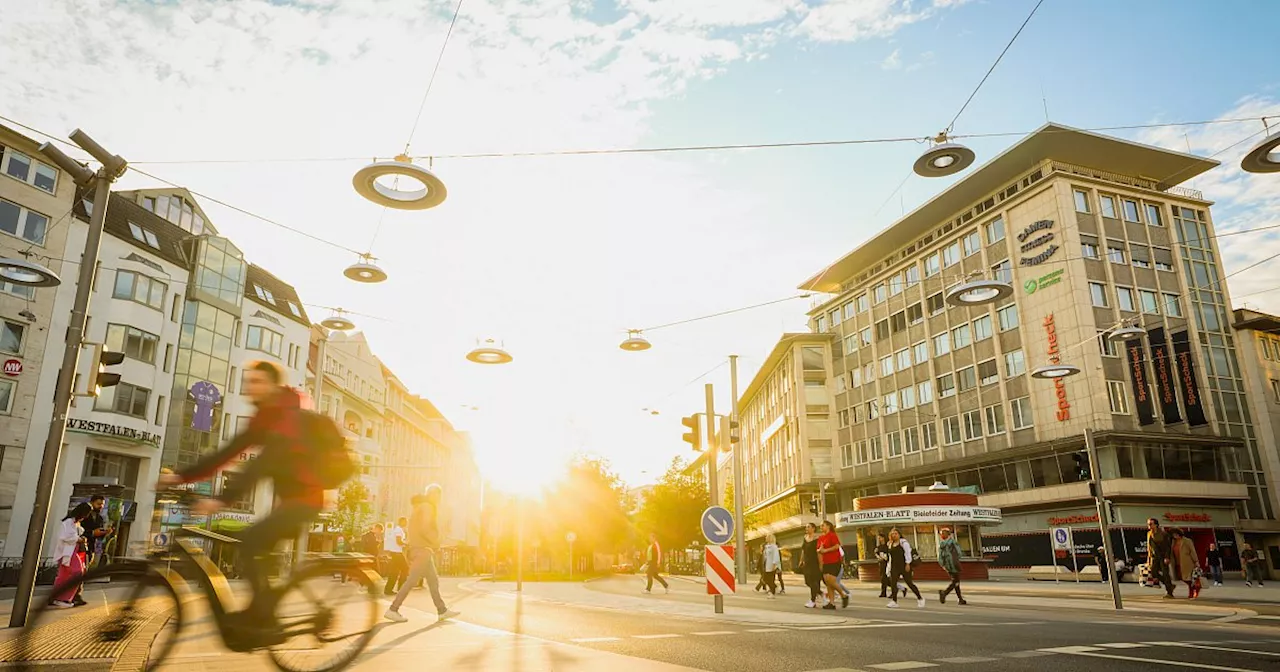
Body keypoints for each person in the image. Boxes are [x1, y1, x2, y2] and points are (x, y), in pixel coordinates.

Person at [156, 360, 325, 641]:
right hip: (291, 501)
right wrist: (180, 477)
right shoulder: (266, 416)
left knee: (250, 543)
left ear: (273, 385)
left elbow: (261, 466)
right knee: (255, 547)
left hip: (306, 500)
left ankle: (264, 619)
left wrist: (222, 500)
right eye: (249, 381)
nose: (250, 387)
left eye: (257, 382)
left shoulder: (287, 416)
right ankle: (263, 610)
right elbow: (228, 453)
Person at [385, 484, 460, 623]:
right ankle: (393, 609)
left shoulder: (420, 507)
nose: (439, 498)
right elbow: (425, 529)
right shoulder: (427, 507)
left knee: (433, 580)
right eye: (437, 494)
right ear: (432, 494)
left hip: (420, 548)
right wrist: (436, 542)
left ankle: (441, 610)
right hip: (422, 549)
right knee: (412, 580)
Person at [49, 503, 92, 608]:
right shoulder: (69, 522)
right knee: (78, 573)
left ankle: (56, 597)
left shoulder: (74, 523)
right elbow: (64, 536)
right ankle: (64, 598)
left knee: (63, 576)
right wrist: (79, 539)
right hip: (68, 551)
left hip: (72, 551)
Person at [886, 527, 924, 609]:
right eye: (892, 534)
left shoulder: (903, 543)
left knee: (909, 583)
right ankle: (894, 601)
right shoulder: (890, 544)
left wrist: (908, 564)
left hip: (904, 565)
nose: (894, 535)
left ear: (899, 534)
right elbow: (890, 557)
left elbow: (908, 553)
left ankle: (920, 598)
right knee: (893, 583)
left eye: (896, 534)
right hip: (894, 566)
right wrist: (888, 567)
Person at [816, 520, 849, 610]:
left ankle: (843, 595)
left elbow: (836, 546)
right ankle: (832, 602)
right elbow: (819, 550)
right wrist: (820, 559)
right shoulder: (821, 538)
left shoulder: (832, 535)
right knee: (827, 582)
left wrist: (825, 550)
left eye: (823, 525)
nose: (821, 527)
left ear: (828, 526)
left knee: (831, 581)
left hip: (834, 561)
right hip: (826, 562)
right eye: (821, 525)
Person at [1145, 517, 1175, 598]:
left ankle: (1169, 592)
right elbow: (1149, 547)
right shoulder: (1149, 534)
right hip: (1154, 557)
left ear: (1156, 525)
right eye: (1148, 524)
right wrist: (1149, 559)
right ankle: (1169, 585)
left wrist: (1167, 557)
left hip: (1162, 556)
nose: (1149, 526)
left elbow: (1168, 547)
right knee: (1153, 572)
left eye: (1151, 524)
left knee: (1165, 574)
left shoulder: (1163, 534)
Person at [937, 527, 966, 605]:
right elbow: (959, 552)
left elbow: (940, 556)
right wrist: (957, 558)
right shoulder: (953, 542)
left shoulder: (942, 544)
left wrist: (943, 564)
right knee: (955, 581)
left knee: (956, 581)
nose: (941, 535)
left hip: (948, 565)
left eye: (942, 534)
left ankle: (960, 599)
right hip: (954, 564)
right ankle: (944, 593)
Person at [799, 523, 824, 608]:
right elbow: (803, 550)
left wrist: (821, 564)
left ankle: (812, 601)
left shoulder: (818, 539)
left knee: (814, 581)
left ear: (813, 528)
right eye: (806, 527)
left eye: (808, 527)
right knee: (807, 581)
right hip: (807, 562)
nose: (806, 528)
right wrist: (801, 560)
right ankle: (821, 593)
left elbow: (819, 552)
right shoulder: (805, 538)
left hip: (815, 562)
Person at [1171, 529, 1200, 598]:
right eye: (1174, 535)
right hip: (1177, 562)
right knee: (1180, 577)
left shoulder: (1187, 541)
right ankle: (1195, 587)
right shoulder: (1173, 542)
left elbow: (1192, 551)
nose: (1175, 536)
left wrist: (1196, 561)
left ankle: (1191, 592)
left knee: (1188, 578)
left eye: (1176, 534)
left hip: (1187, 562)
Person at [384, 517, 409, 596]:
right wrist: (406, 544)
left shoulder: (397, 529)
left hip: (395, 553)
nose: (406, 523)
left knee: (394, 572)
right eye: (405, 522)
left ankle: (388, 590)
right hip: (397, 553)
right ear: (401, 522)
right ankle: (401, 588)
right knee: (405, 569)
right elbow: (399, 541)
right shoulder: (399, 530)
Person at [761, 534, 781, 599]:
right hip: (766, 564)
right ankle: (773, 588)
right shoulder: (767, 546)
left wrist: (774, 564)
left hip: (772, 565)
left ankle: (772, 593)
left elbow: (776, 556)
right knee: (765, 579)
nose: (765, 538)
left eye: (767, 537)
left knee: (770, 579)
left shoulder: (774, 547)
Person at [875, 533, 891, 599]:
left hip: (887, 564)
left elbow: (889, 554)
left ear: (883, 538)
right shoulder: (879, 547)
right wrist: (878, 556)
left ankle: (898, 588)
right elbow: (877, 553)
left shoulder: (887, 545)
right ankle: (883, 592)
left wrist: (885, 557)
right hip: (881, 564)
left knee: (886, 579)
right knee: (883, 579)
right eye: (878, 538)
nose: (879, 539)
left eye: (880, 538)